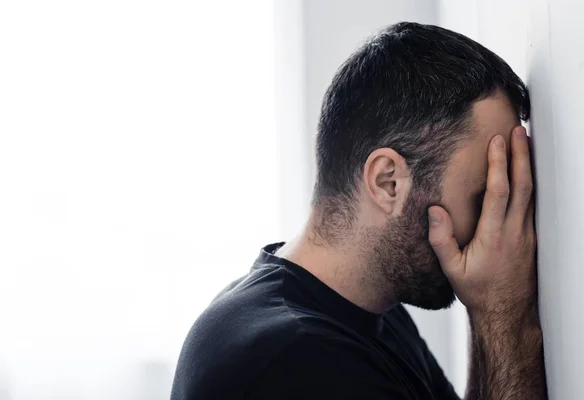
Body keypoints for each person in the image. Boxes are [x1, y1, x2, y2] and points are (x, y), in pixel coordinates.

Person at [171, 22, 547, 399]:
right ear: (388, 182)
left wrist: (487, 309)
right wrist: (503, 310)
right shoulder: (294, 360)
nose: (495, 232)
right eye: (483, 199)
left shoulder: (365, 317)